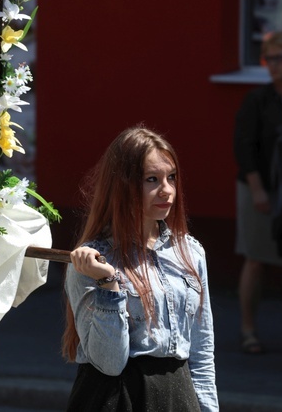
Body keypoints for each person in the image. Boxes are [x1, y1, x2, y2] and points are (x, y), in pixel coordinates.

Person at [62, 126, 217, 412]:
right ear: (123, 184)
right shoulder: (94, 259)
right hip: (118, 397)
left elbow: (202, 351)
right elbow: (108, 363)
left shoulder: (190, 252)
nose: (167, 190)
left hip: (178, 396)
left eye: (171, 177)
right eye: (151, 179)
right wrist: (109, 283)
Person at [233, 30, 282, 354]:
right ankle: (249, 330)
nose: (273, 66)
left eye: (281, 58)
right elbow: (244, 145)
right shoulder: (258, 99)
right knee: (255, 259)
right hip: (259, 188)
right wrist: (258, 189)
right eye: (268, 59)